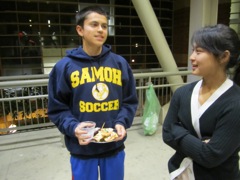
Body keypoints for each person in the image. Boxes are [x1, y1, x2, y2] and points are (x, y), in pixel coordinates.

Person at [47, 6, 138, 180]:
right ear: (80, 30)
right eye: (94, 25)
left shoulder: (120, 64)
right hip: (82, 148)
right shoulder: (64, 67)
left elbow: (129, 101)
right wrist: (73, 128)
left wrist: (121, 122)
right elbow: (57, 108)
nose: (100, 30)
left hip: (114, 147)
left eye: (104, 26)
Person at [162, 24, 240, 180]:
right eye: (193, 50)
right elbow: (166, 132)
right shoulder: (183, 93)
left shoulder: (235, 102)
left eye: (199, 51)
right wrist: (201, 144)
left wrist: (177, 131)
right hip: (182, 172)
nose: (192, 57)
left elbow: (210, 156)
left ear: (223, 57)